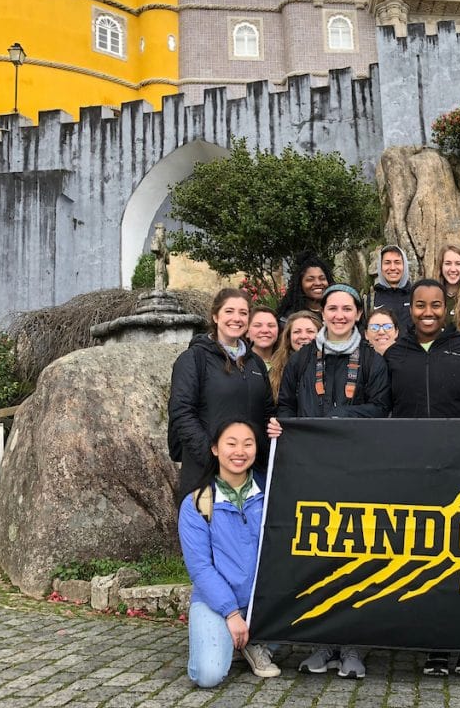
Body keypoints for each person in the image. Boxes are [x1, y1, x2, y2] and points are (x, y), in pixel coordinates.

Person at [268, 284, 392, 679]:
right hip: (312, 470)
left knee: (354, 555)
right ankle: (322, 643)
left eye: (347, 309)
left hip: (357, 471)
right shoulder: (303, 358)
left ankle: (353, 645)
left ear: (358, 313)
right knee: (318, 555)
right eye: (332, 308)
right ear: (324, 314)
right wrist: (287, 428)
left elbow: (381, 408)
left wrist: (338, 423)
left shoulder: (372, 360)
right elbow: (285, 404)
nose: (339, 315)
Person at [384, 278, 460, 678]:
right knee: (427, 557)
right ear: (410, 307)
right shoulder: (394, 354)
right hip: (412, 469)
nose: (428, 312)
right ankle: (435, 646)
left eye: (436, 305)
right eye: (420, 305)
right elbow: (380, 408)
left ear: (448, 308)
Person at [178, 419, 279, 687]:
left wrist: (286, 434)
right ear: (215, 449)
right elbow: (200, 569)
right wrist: (231, 613)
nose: (240, 452)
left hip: (263, 600)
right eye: (231, 444)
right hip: (218, 601)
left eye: (248, 444)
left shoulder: (271, 493)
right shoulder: (197, 503)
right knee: (208, 675)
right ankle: (227, 636)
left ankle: (253, 643)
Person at [168, 288, 269, 502]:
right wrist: (213, 456)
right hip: (205, 472)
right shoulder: (193, 359)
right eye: (229, 311)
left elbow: (267, 411)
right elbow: (182, 411)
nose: (237, 318)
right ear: (216, 316)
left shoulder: (255, 363)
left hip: (250, 473)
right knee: (205, 530)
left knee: (247, 533)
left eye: (243, 313)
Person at [267, 310, 321, 410]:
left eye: (310, 331)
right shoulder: (274, 371)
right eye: (297, 332)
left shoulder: (330, 366)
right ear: (288, 337)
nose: (303, 336)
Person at [276, 253, 335, 322]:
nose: (318, 283)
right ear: (300, 283)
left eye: (322, 278)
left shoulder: (337, 312)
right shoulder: (289, 318)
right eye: (310, 279)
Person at [367, 244, 413, 331]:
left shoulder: (416, 297)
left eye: (397, 262)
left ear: (405, 266)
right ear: (380, 267)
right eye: (387, 263)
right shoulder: (370, 301)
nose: (392, 268)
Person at [436, 244, 460, 329]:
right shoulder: (431, 295)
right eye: (448, 263)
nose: (453, 269)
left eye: (458, 264)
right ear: (441, 266)